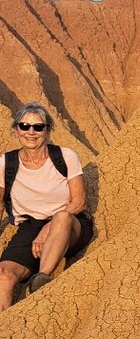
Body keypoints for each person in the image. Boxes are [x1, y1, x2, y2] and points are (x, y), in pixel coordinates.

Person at [0, 103, 93, 311]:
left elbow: (78, 202)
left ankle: (41, 282)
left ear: (48, 130)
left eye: (38, 127)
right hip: (29, 226)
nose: (31, 132)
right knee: (4, 275)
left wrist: (47, 228)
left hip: (70, 223)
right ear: (16, 130)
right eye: (24, 126)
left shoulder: (65, 156)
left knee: (60, 218)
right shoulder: (6, 163)